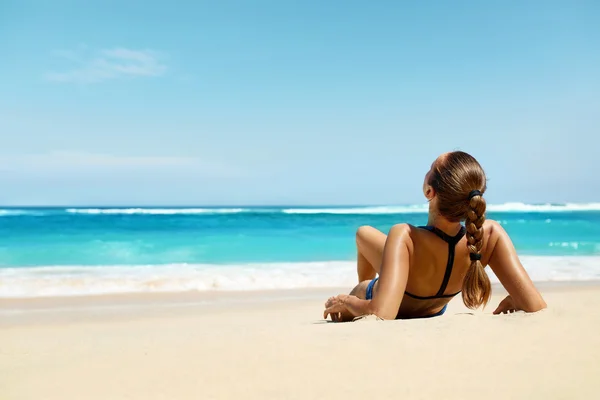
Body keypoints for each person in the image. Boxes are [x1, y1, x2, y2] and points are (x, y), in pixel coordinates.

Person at [323, 151, 547, 322]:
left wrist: (347, 301)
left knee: (363, 249)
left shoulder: (406, 235)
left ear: (429, 192)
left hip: (378, 299)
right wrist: (516, 299)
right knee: (364, 233)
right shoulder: (489, 235)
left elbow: (383, 314)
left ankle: (369, 286)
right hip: (433, 306)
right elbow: (535, 305)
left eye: (430, 168)